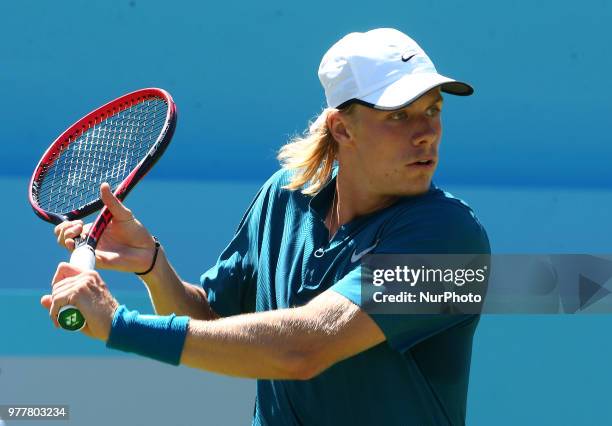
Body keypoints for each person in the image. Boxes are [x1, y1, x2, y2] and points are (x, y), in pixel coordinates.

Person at [43, 28, 490, 425]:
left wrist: (118, 324)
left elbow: (304, 349)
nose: (426, 132)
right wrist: (153, 266)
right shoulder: (286, 194)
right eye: (399, 115)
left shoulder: (452, 237)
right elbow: (214, 322)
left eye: (433, 110)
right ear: (342, 128)